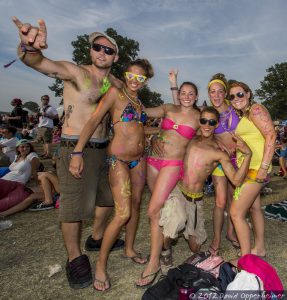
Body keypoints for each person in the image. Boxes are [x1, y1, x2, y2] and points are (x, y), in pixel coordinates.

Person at [13, 16, 123, 289]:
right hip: (75, 148)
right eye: (98, 47)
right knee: (73, 210)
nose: (102, 52)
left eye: (108, 50)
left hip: (103, 150)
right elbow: (40, 64)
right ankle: (75, 257)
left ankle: (96, 238)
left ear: (115, 57)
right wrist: (29, 48)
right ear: (91, 50)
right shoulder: (76, 73)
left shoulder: (116, 85)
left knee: (108, 201)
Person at [69, 58, 153, 291]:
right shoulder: (116, 94)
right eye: (131, 76)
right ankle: (101, 266)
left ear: (145, 81)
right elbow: (94, 119)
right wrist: (77, 151)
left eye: (140, 78)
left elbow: (139, 128)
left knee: (136, 205)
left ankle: (129, 248)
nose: (135, 81)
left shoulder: (138, 102)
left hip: (139, 160)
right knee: (123, 212)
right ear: (125, 75)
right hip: (119, 160)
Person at [154, 107, 252, 277]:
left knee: (195, 247)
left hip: (196, 200)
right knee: (176, 221)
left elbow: (236, 180)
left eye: (212, 122)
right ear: (199, 121)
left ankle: (181, 227)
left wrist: (248, 155)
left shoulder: (219, 152)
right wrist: (156, 137)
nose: (207, 125)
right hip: (178, 192)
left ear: (217, 124)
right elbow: (171, 127)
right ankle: (165, 250)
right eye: (204, 121)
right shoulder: (189, 139)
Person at [136, 80, 200, 287]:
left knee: (152, 210)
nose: (187, 96)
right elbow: (142, 112)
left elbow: (210, 134)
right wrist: (153, 136)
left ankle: (154, 261)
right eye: (183, 92)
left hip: (173, 164)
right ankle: (165, 248)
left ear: (196, 97)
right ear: (178, 94)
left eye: (191, 93)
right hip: (153, 160)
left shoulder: (199, 117)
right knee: (161, 208)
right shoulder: (167, 108)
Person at [169, 70, 240, 255]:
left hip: (233, 158)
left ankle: (231, 233)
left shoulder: (235, 109)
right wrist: (174, 83)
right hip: (215, 159)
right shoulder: (203, 111)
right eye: (212, 92)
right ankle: (216, 238)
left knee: (234, 200)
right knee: (220, 200)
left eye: (219, 91)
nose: (216, 95)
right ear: (208, 94)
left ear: (225, 93)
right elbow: (181, 106)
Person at [228, 81, 276, 259]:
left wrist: (264, 167)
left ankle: (245, 259)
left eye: (240, 94)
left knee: (236, 212)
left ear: (248, 94)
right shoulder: (245, 114)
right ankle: (259, 248)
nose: (236, 98)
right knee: (255, 208)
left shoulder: (256, 110)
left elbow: (271, 135)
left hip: (257, 168)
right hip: (249, 166)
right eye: (232, 96)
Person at [0, 139, 40, 212]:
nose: (25, 148)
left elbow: (34, 171)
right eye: (22, 147)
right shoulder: (17, 157)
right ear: (18, 148)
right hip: (4, 181)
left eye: (27, 146)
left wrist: (38, 184)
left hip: (15, 183)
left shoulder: (32, 155)